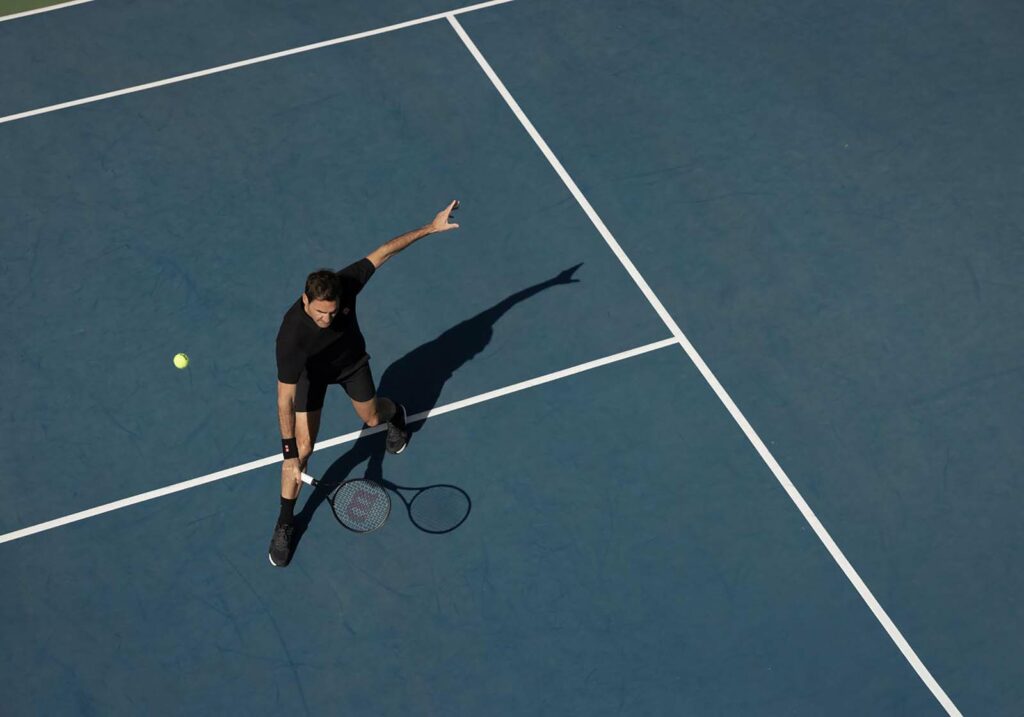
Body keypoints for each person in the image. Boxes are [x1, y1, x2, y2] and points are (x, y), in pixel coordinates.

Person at [268, 200, 461, 566]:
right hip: (312, 376)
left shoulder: (345, 284)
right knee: (304, 449)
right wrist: (290, 456)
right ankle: (284, 523)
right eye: (319, 312)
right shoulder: (290, 338)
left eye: (332, 311)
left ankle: (396, 414)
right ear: (305, 300)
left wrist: (430, 227)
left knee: (373, 418)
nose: (326, 318)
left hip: (351, 365)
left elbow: (385, 252)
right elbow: (283, 401)